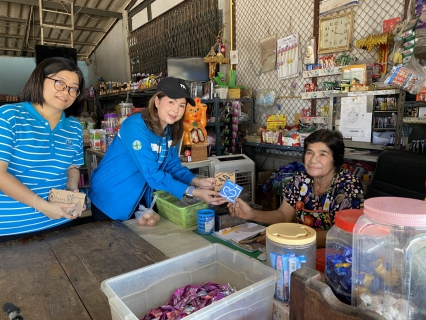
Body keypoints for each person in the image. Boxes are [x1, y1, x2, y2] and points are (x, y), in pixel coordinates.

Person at [88, 77, 226, 221]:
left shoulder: (170, 130)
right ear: (157, 101)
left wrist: (197, 181)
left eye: (181, 105)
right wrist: (195, 192)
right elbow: (152, 173)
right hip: (110, 198)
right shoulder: (135, 125)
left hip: (137, 198)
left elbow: (173, 167)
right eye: (171, 102)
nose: (176, 110)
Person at [228, 129, 364, 247]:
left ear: (336, 160)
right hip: (299, 248)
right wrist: (252, 214)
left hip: (331, 256)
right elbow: (283, 215)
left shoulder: (348, 186)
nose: (313, 160)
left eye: (323, 154)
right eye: (310, 152)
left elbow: (342, 235)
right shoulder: (301, 179)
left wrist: (288, 239)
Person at [0, 57, 86, 240]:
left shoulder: (74, 127)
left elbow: (73, 167)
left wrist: (72, 190)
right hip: (13, 229)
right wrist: (43, 206)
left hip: (61, 222)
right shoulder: (9, 117)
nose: (66, 91)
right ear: (39, 80)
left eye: (73, 88)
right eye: (59, 83)